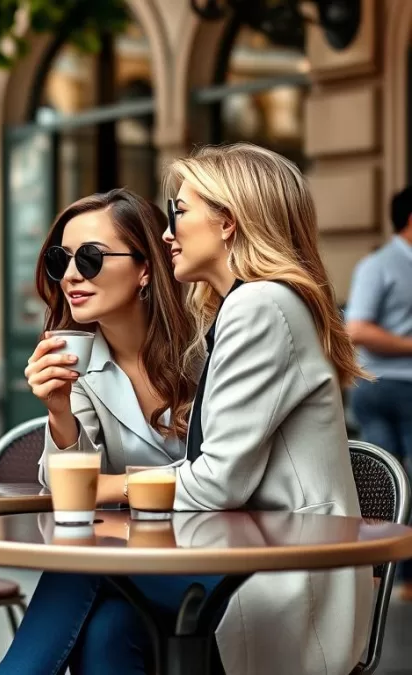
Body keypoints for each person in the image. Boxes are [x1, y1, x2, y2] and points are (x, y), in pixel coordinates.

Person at [155, 143, 368, 675]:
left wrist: (104, 485)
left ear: (228, 222)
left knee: (86, 583)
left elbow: (217, 484)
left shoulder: (261, 305)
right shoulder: (257, 304)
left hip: (282, 577)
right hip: (259, 559)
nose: (166, 233)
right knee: (107, 615)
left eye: (179, 211)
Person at [0, 189, 203, 675]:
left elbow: (224, 476)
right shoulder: (82, 362)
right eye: (59, 260)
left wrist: (115, 490)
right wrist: (58, 410)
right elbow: (70, 494)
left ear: (146, 268)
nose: (70, 276)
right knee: (105, 633)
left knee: (83, 568)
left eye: (89, 258)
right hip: (131, 568)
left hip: (217, 558)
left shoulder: (208, 346)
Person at [345, 186, 412, 597]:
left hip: (395, 387)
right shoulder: (380, 264)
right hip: (386, 387)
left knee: (393, 487)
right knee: (384, 487)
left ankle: (394, 581)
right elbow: (357, 328)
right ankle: (381, 578)